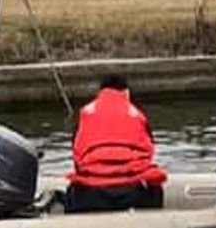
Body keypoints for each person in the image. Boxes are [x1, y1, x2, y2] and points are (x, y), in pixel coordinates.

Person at [64, 74, 168, 213]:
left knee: (73, 189)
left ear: (100, 92)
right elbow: (148, 153)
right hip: (133, 194)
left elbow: (78, 158)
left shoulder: (85, 114)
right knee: (154, 181)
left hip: (92, 195)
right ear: (126, 92)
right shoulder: (137, 115)